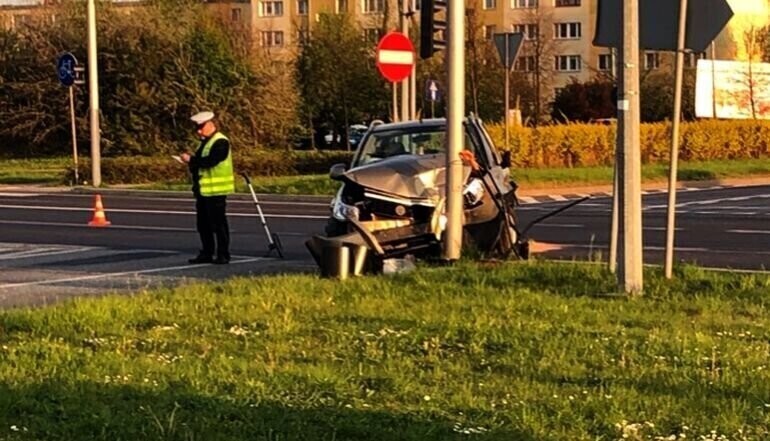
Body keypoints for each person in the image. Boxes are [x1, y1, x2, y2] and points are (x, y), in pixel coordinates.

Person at [181, 111, 234, 264]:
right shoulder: (205, 142)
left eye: (201, 127)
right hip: (204, 191)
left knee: (219, 224)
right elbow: (200, 162)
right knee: (203, 225)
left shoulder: (221, 142)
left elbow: (211, 161)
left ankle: (223, 254)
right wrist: (191, 162)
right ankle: (207, 252)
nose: (198, 131)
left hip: (216, 192)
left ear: (211, 124)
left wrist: (191, 159)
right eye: (197, 128)